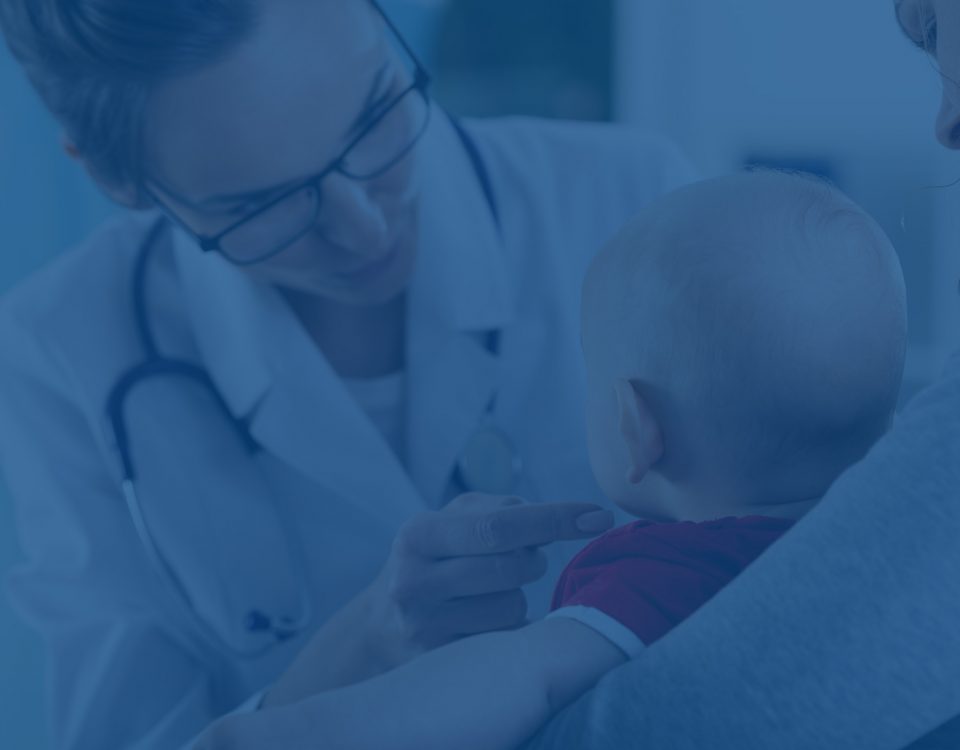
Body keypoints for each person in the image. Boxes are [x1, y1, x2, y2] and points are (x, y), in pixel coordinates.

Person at [0, 1, 696, 748]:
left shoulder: (633, 200)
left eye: (372, 118)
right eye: (259, 204)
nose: (364, 228)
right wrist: (361, 647)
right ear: (115, 178)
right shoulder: (61, 351)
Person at [195, 169, 909, 750]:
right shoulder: (893, 554)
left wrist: (266, 736)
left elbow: (511, 679)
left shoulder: (668, 574)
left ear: (638, 428)